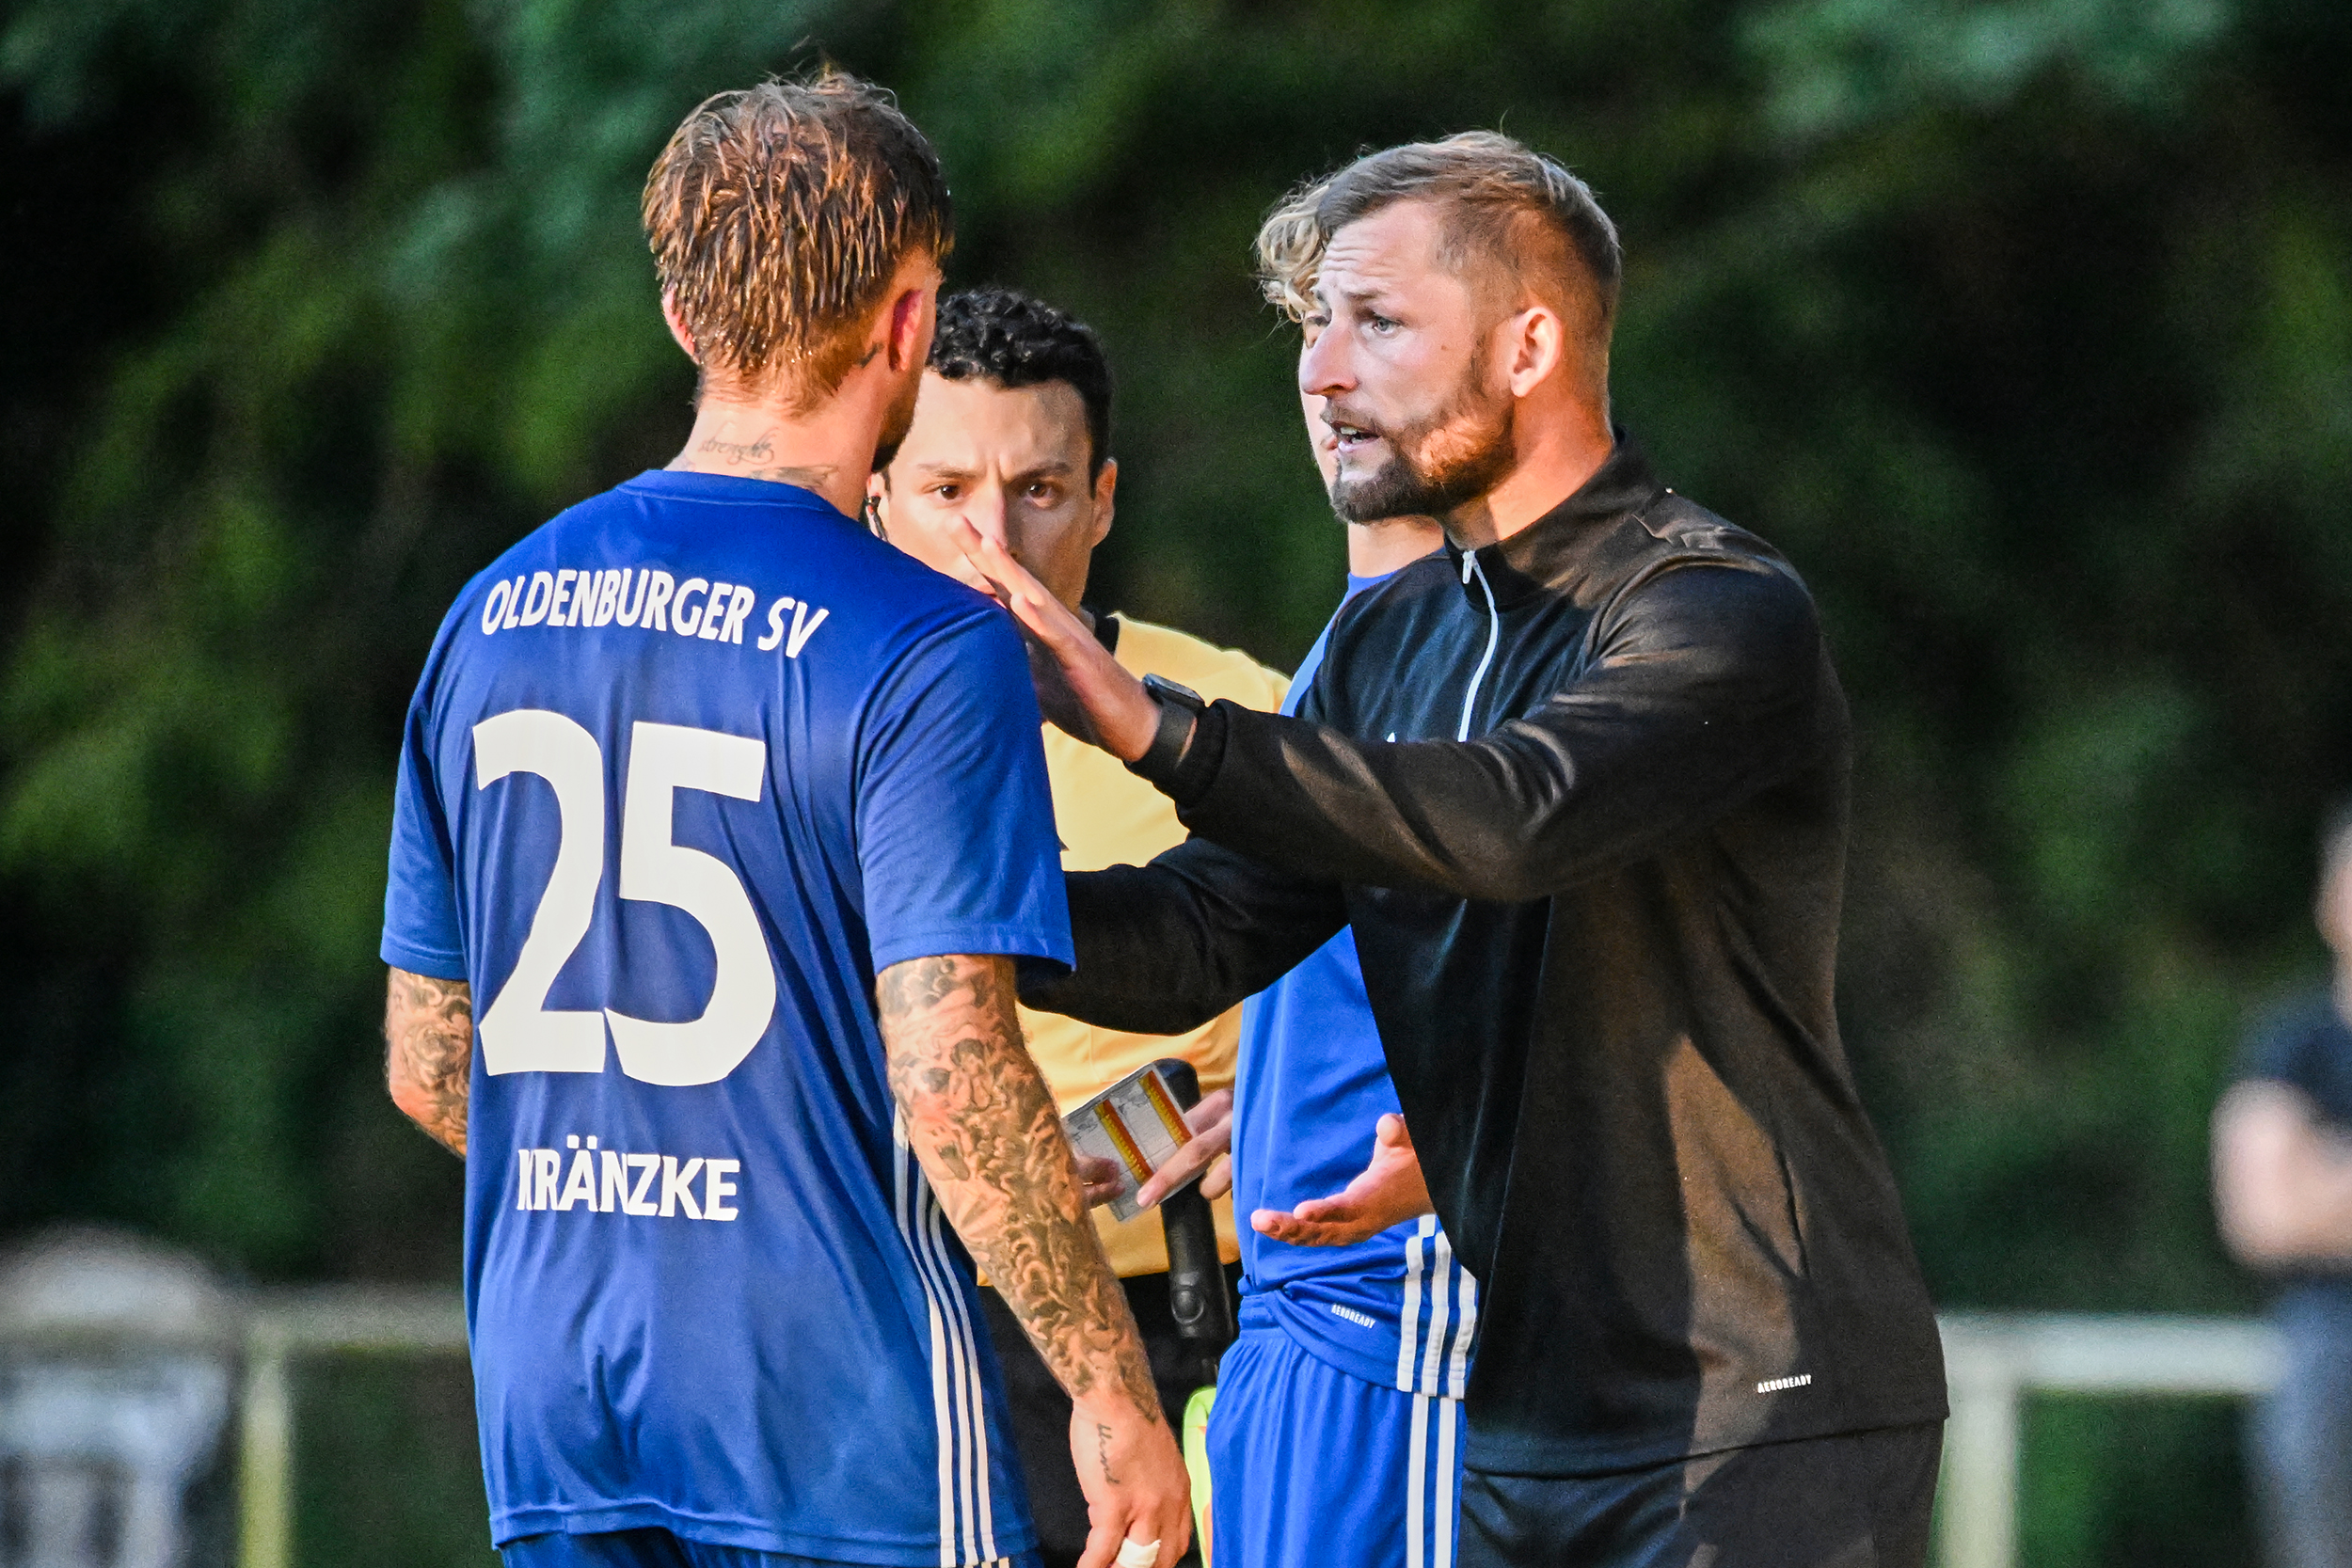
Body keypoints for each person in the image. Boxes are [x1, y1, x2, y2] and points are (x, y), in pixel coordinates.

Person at [960, 132, 1947, 1568]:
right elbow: (1201, 935)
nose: (1322, 371)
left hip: (1761, 1403)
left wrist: (1148, 722)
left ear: (1531, 341)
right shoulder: (1390, 638)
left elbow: (1514, 815)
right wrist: (929, 900)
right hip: (1520, 1409)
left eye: (1377, 322)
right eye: (1313, 328)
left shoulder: (1715, 606)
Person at [376, 76, 1187, 1568]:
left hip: (557, 1386)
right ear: (906, 322)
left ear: (684, 321)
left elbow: (432, 1065)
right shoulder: (924, 641)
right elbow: (951, 1074)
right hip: (827, 1399)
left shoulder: (488, 613)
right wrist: (1110, 1390)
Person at [866, 285, 1279, 1568]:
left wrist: (1273, 1102)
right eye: (947, 490)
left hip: (1198, 1324)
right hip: (920, 1314)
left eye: (1038, 490)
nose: (994, 536)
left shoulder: (1237, 717)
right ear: (875, 493)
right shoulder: (806, 723)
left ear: (1102, 497)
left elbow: (1384, 1013)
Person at [2216, 803, 2352, 1568]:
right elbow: (2263, 1218)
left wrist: (2327, 1168)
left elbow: (2300, 1202)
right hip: (2329, 1331)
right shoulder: (2290, 1044)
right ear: (2329, 901)